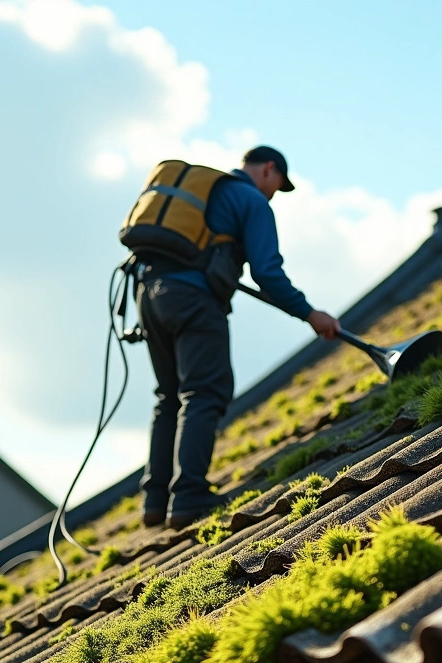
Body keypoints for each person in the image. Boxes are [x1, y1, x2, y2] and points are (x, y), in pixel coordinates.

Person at [135, 146, 341, 530]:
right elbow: (267, 273)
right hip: (195, 300)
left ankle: (155, 500)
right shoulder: (251, 200)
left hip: (149, 294)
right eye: (278, 186)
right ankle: (188, 496)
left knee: (168, 395)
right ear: (268, 170)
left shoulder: (208, 193)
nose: (274, 194)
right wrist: (310, 314)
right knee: (203, 392)